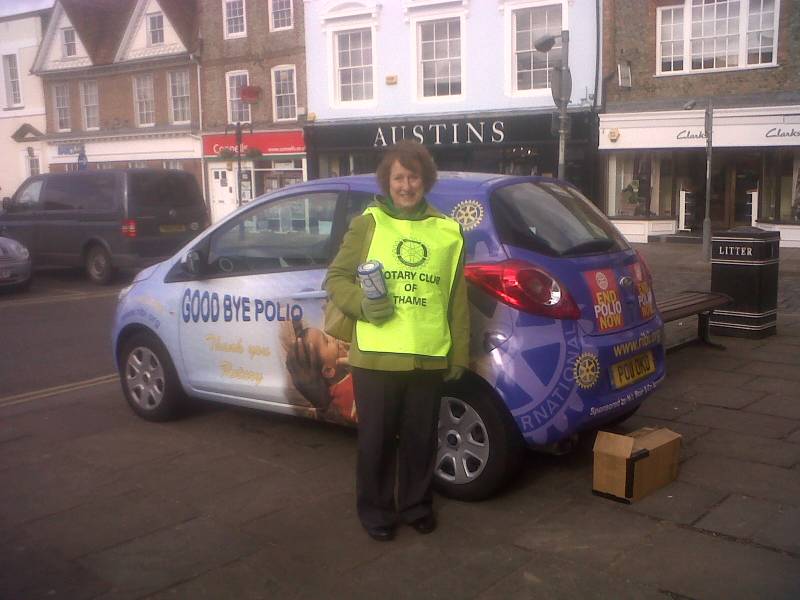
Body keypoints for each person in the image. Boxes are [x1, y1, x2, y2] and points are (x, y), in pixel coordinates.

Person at [324, 140, 469, 542]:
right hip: (377, 357)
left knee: (422, 440)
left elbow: (456, 296)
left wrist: (458, 352)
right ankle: (376, 511)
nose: (406, 185)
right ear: (387, 182)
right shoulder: (368, 223)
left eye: (414, 177)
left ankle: (417, 506)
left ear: (426, 180)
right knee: (377, 442)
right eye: (399, 177)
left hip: (428, 354)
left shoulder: (449, 232)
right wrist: (362, 306)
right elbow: (335, 277)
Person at [282, 320, 356, 424]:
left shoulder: (348, 375)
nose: (333, 339)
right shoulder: (346, 392)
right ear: (328, 370)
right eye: (326, 341)